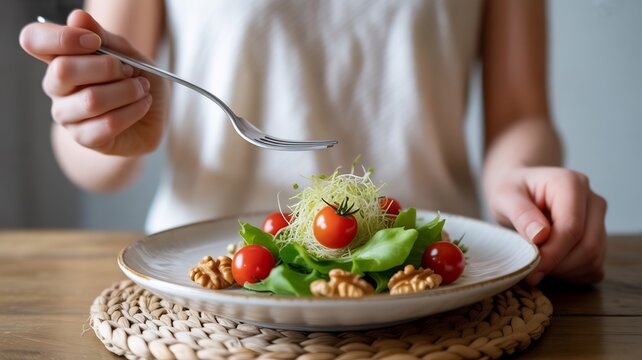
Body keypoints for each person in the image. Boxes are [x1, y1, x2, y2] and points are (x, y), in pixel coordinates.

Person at [19, 0, 606, 286]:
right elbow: (90, 162)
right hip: (208, 281)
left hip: (429, 279)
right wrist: (105, 124)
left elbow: (521, 116)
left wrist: (521, 178)